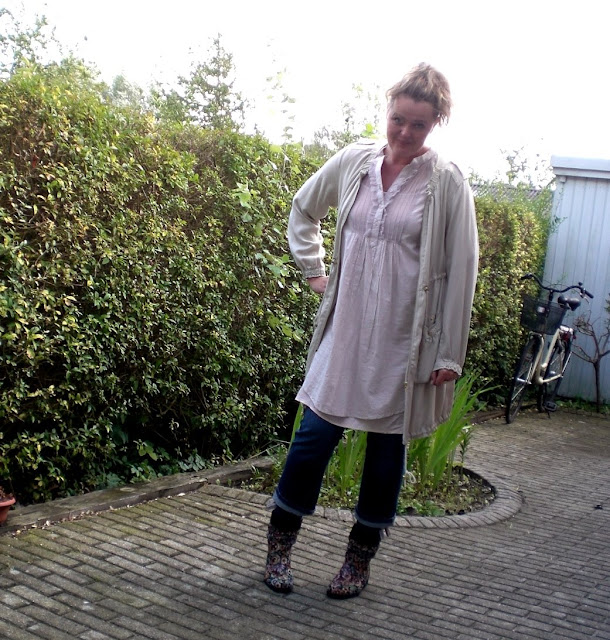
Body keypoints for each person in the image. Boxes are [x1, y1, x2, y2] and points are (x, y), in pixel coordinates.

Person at [263, 63, 479, 599]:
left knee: (385, 461)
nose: (404, 132)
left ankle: (357, 564)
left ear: (435, 124)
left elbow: (462, 270)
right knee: (310, 443)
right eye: (398, 119)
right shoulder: (354, 162)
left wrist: (449, 352)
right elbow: (304, 208)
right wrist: (313, 271)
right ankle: (279, 549)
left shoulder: (447, 183)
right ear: (388, 111)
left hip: (403, 346)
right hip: (345, 335)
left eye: (418, 125)